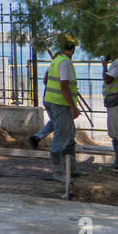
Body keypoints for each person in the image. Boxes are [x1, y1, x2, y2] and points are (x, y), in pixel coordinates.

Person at [42, 34, 80, 183]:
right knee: (61, 138)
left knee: (70, 136)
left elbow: (46, 80)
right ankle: (59, 173)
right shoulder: (65, 63)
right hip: (61, 104)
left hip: (53, 101)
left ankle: (72, 170)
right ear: (73, 48)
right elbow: (64, 86)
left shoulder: (57, 60)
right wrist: (73, 107)